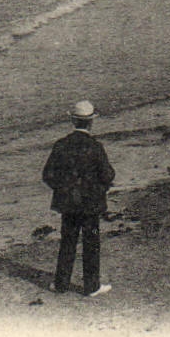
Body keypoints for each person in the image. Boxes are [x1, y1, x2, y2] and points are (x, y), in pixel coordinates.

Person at [42, 100, 116, 296]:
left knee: (67, 242)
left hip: (68, 203)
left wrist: (64, 189)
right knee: (91, 243)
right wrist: (99, 188)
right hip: (90, 203)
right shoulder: (95, 146)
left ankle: (60, 285)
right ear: (91, 122)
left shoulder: (61, 145)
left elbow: (48, 175)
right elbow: (108, 175)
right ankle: (91, 286)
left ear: (73, 120)